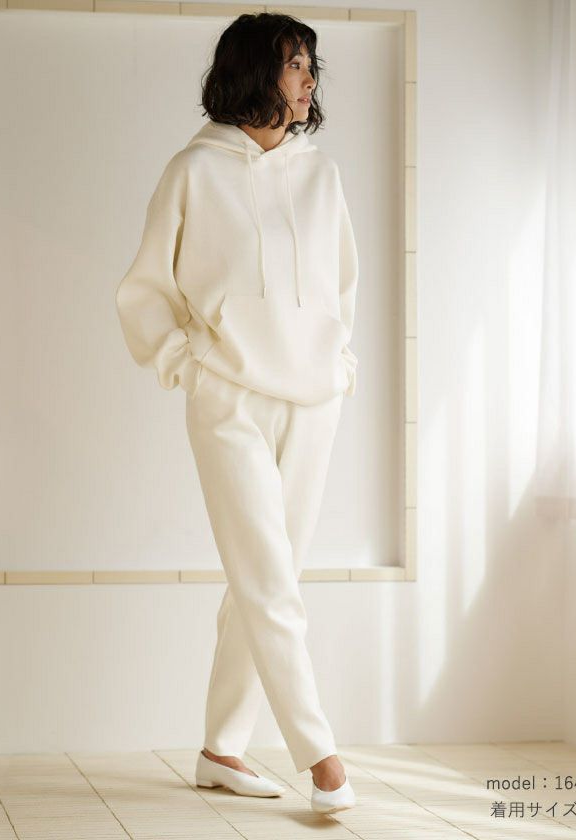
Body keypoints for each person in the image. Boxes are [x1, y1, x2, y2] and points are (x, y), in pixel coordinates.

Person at [115, 12, 359, 815]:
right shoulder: (194, 171)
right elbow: (146, 290)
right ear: (255, 70)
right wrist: (191, 370)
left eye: (311, 65)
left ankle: (222, 747)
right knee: (268, 580)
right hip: (230, 400)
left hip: (314, 403)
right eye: (295, 64)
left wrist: (339, 365)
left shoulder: (321, 176)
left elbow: (342, 285)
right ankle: (321, 756)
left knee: (262, 581)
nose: (309, 79)